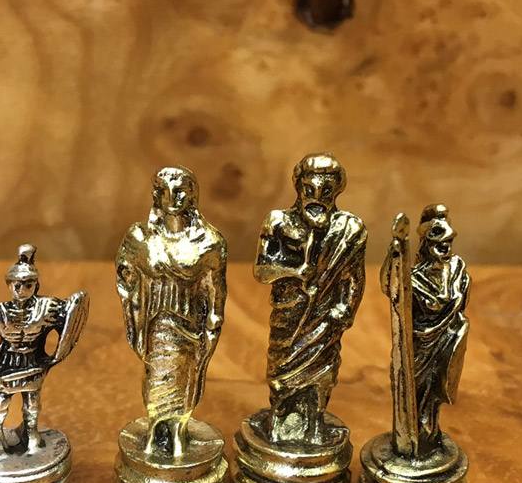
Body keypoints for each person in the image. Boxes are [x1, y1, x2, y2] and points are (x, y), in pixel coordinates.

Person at [254, 154, 365, 444]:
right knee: (281, 369)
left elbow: (354, 277)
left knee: (323, 372)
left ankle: (313, 425)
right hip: (289, 315)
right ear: (298, 187)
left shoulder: (349, 230)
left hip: (325, 319)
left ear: (337, 191)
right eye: (309, 190)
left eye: (325, 191)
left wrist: (345, 309)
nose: (316, 198)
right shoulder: (278, 222)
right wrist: (294, 271)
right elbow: (261, 270)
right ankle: (279, 421)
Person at [116, 167, 227, 456]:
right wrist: (133, 293)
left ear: (192, 195)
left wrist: (213, 325)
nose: (172, 198)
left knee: (185, 377)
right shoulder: (140, 238)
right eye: (164, 191)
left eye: (180, 192)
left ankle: (178, 430)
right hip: (156, 325)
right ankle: (156, 427)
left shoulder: (209, 242)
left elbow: (216, 290)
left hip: (190, 328)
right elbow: (125, 276)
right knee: (156, 377)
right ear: (156, 195)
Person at [0, 245, 84, 457]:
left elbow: (70, 320)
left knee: (32, 405)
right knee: (0, 406)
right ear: (9, 285)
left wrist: (55, 356)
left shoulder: (47, 307)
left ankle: (31, 436)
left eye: (28, 284)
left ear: (36, 285)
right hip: (6, 366)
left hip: (33, 363)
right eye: (17, 285)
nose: (21, 290)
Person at [411, 204, 470, 454]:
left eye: (448, 242)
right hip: (421, 342)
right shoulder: (414, 276)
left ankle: (430, 434)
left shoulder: (457, 268)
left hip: (446, 338)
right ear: (425, 242)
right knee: (417, 389)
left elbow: (461, 300)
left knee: (437, 389)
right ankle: (414, 436)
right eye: (439, 243)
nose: (446, 248)